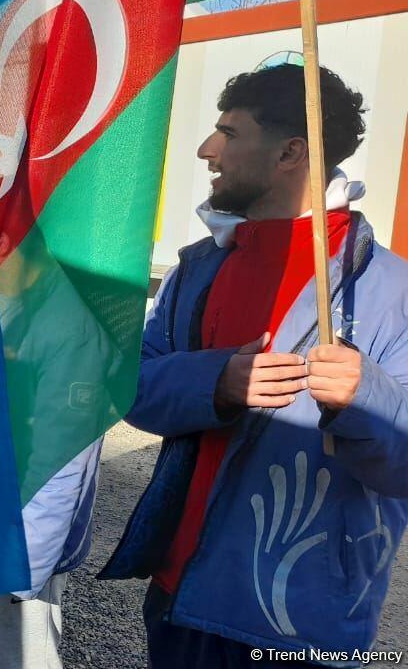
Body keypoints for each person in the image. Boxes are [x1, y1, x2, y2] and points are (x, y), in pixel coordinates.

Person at [99, 65, 408, 668]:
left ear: (291, 152)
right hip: (177, 594)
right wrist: (213, 381)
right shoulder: (197, 266)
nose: (206, 150)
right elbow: (130, 385)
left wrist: (365, 396)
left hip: (301, 622)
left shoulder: (391, 290)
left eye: (229, 133)